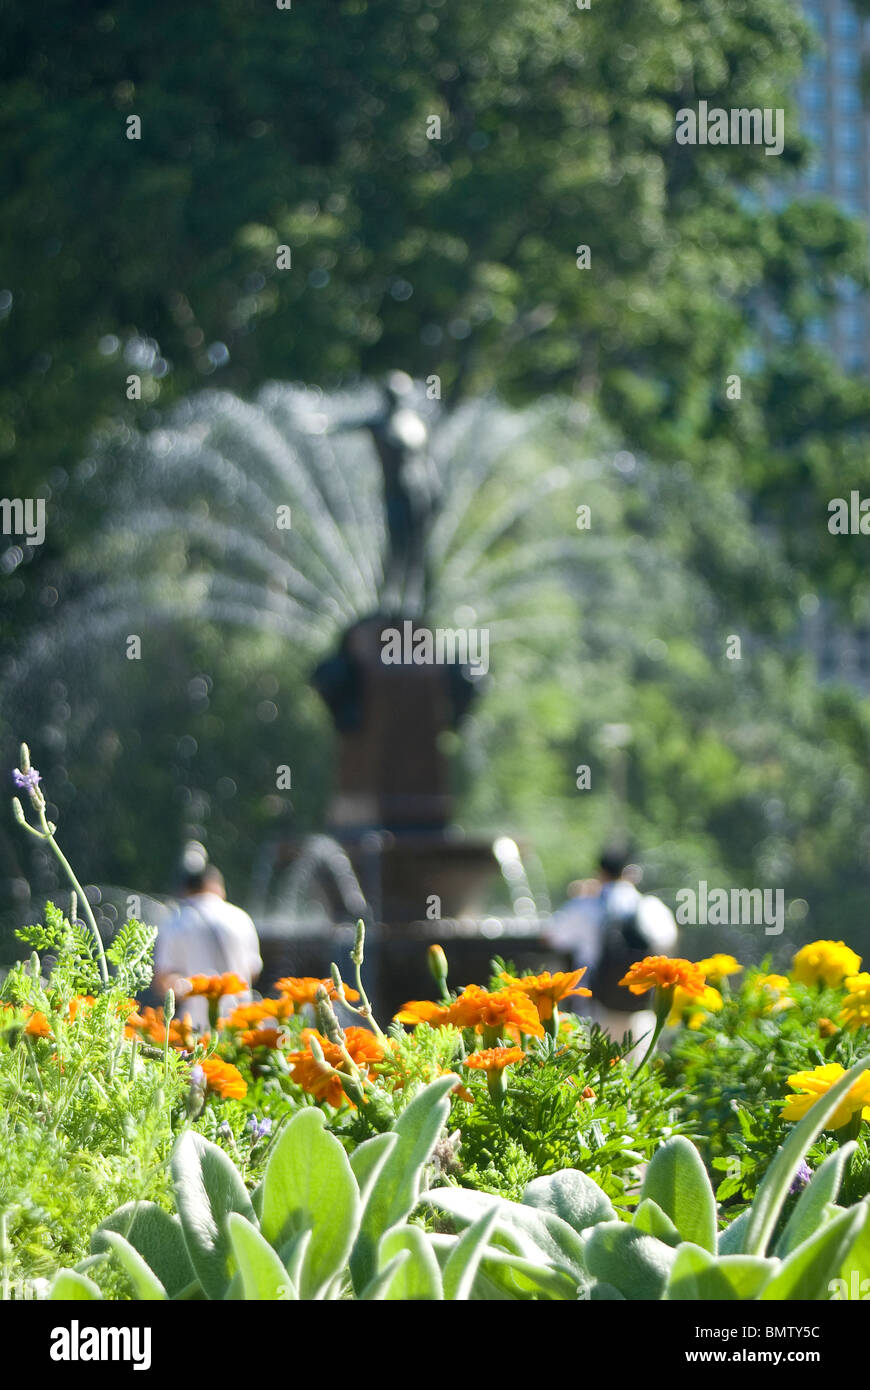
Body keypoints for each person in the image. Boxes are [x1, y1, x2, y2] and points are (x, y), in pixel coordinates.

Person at [544, 845, 678, 1052]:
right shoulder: (651, 906)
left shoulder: (585, 906)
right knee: (636, 1075)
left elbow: (550, 937)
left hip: (593, 1009)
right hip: (638, 1011)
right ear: (633, 874)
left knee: (592, 1078)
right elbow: (668, 942)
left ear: (599, 873)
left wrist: (580, 896)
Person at [154, 863, 262, 1031]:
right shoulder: (241, 918)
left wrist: (197, 988)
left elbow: (164, 982)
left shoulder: (175, 922)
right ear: (217, 886)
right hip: (240, 1025)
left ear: (187, 891)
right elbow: (253, 971)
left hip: (196, 1029)